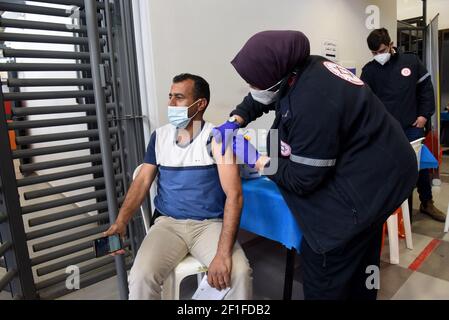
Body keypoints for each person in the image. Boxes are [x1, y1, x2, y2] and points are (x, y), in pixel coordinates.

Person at [213, 30, 417, 300]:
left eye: (253, 81)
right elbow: (261, 97)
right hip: (384, 167)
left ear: (277, 75)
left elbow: (303, 179)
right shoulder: (307, 65)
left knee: (327, 262)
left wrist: (259, 160)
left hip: (369, 185)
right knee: (365, 260)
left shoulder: (312, 100)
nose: (251, 87)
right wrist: (237, 118)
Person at [105, 73, 252, 300]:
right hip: (168, 224)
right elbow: (143, 180)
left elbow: (235, 195)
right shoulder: (160, 137)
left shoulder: (218, 138)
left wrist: (223, 255)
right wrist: (121, 221)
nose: (171, 104)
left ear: (200, 104)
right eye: (170, 96)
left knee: (239, 273)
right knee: (141, 275)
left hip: (208, 225)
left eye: (179, 98)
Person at [361, 28, 446, 222]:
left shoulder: (411, 62)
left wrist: (424, 115)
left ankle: (427, 202)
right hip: (386, 131)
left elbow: (426, 89)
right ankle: (399, 209)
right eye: (374, 53)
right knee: (392, 169)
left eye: (381, 51)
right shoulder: (369, 70)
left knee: (419, 167)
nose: (378, 56)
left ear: (391, 45)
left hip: (412, 126)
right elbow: (365, 101)